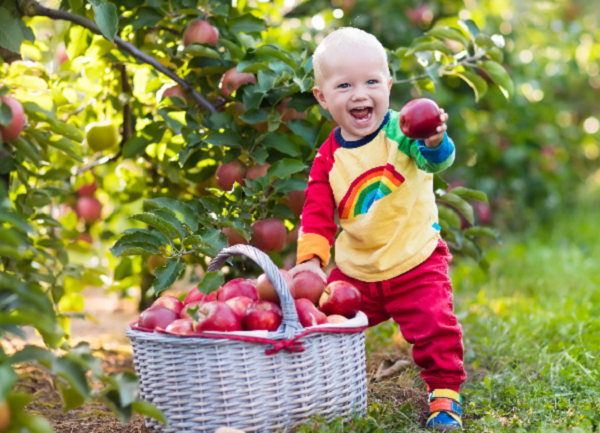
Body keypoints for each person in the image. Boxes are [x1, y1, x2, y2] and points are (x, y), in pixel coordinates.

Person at [288, 27, 466, 430]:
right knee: (324, 325)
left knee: (436, 329)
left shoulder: (402, 131)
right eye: (344, 85)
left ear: (388, 85)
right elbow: (316, 214)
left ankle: (444, 397)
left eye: (371, 82)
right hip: (357, 273)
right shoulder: (327, 159)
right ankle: (320, 388)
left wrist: (435, 138)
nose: (360, 94)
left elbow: (434, 162)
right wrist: (312, 262)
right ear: (322, 97)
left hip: (415, 261)